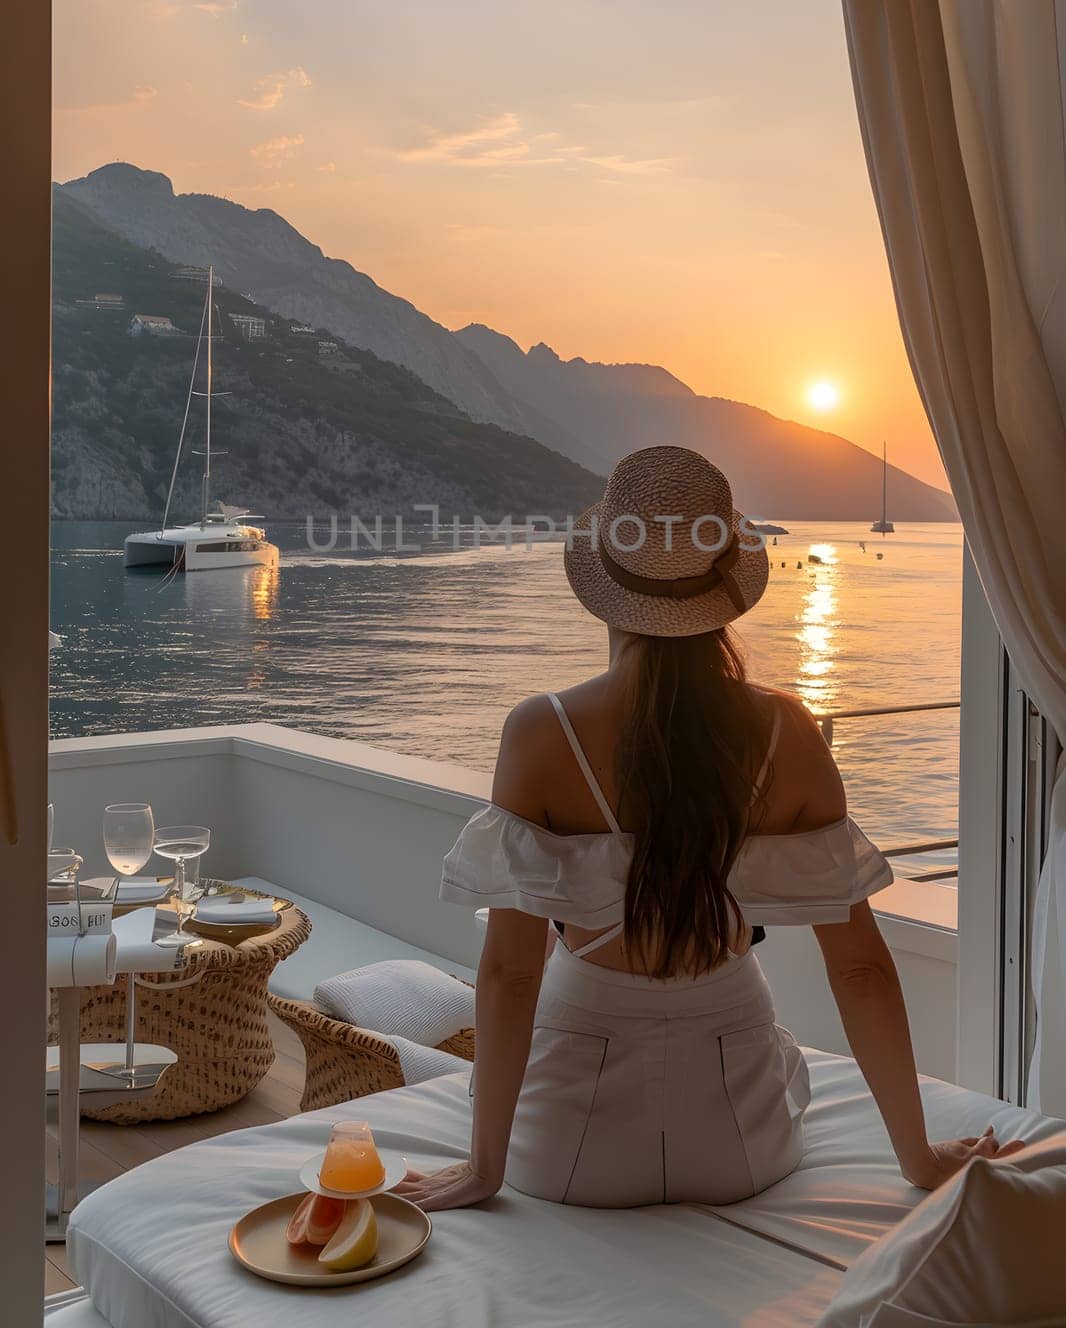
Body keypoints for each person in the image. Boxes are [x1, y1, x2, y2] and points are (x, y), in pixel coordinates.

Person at [395, 446, 1022, 1212]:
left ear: (602, 587)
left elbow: (510, 974)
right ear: (724, 588)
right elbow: (860, 970)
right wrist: (918, 1158)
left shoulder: (542, 732)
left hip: (569, 1148)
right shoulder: (786, 732)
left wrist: (482, 1170)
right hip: (740, 1139)